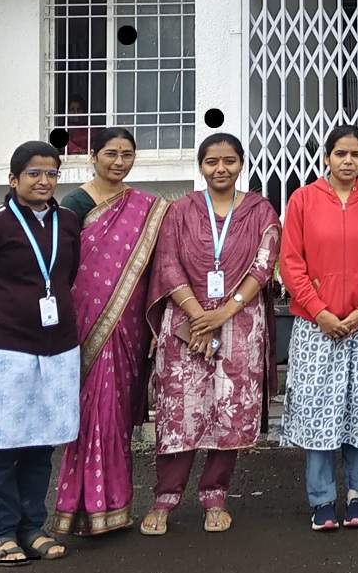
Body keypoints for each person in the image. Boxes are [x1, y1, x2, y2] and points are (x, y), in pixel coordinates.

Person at [141, 133, 281, 536]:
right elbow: (168, 264)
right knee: (179, 412)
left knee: (229, 410)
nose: (221, 169)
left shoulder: (259, 210)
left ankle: (215, 496)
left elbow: (263, 265)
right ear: (200, 166)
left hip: (239, 323)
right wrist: (198, 314)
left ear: (241, 164)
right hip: (185, 323)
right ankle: (165, 498)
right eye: (212, 161)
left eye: (229, 161)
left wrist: (224, 311)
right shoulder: (180, 210)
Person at [0, 141, 81, 562]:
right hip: (5, 355)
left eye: (52, 173)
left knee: (41, 445)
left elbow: (66, 278)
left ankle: (32, 528)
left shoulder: (67, 222)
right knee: (1, 447)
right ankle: (2, 533)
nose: (44, 181)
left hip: (57, 353)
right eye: (34, 173)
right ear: (13, 179)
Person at [51, 128, 169, 537]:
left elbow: (155, 270)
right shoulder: (75, 204)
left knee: (116, 415)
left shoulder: (146, 207)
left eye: (127, 154)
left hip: (130, 324)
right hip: (85, 323)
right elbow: (62, 266)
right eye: (111, 154)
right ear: (93, 157)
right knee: (89, 413)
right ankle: (80, 505)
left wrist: (156, 324)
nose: (119, 162)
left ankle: (115, 506)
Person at [279, 125, 358, 531]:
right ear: (326, 157)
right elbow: (290, 262)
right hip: (316, 326)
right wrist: (320, 311)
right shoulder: (303, 199)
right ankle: (322, 499)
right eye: (340, 153)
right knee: (318, 409)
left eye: (355, 154)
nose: (348, 161)